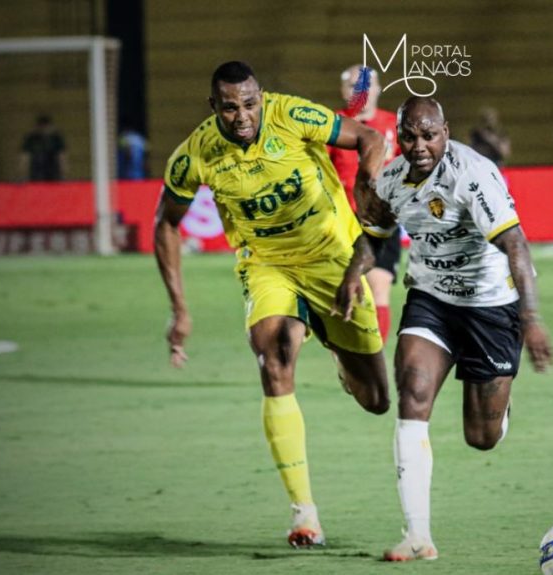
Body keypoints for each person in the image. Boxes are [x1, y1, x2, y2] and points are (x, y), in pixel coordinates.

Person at [153, 61, 391, 546]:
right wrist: (179, 308)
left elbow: (369, 138)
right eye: (229, 107)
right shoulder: (195, 154)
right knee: (274, 355)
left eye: (249, 103)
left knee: (376, 400)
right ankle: (305, 515)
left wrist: (366, 191)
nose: (242, 115)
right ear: (213, 107)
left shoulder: (294, 115)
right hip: (267, 265)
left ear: (261, 97)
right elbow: (166, 223)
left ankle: (340, 356)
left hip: (333, 258)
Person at [351, 96, 553, 561]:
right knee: (413, 389)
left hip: (490, 305)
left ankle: (498, 410)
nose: (419, 145)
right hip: (433, 299)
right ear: (398, 137)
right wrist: (351, 276)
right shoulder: (392, 179)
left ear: (446, 131)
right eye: (409, 136)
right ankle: (417, 535)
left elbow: (516, 245)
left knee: (480, 438)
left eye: (429, 135)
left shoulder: (473, 174)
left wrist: (532, 321)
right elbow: (374, 240)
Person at [327, 65, 401, 342]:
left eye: (368, 86)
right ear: (344, 92)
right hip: (344, 222)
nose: (363, 92)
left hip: (382, 220)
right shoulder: (333, 126)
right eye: (355, 86)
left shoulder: (395, 124)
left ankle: (375, 356)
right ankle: (343, 350)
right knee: (346, 289)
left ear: (379, 89)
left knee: (379, 286)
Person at [19, 114, 67, 181]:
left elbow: (62, 157)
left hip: (53, 174)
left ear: (50, 127)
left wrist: (63, 174)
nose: (43, 129)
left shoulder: (56, 138)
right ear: (37, 127)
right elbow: (25, 158)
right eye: (41, 126)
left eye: (45, 127)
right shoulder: (31, 139)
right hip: (36, 173)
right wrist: (23, 175)